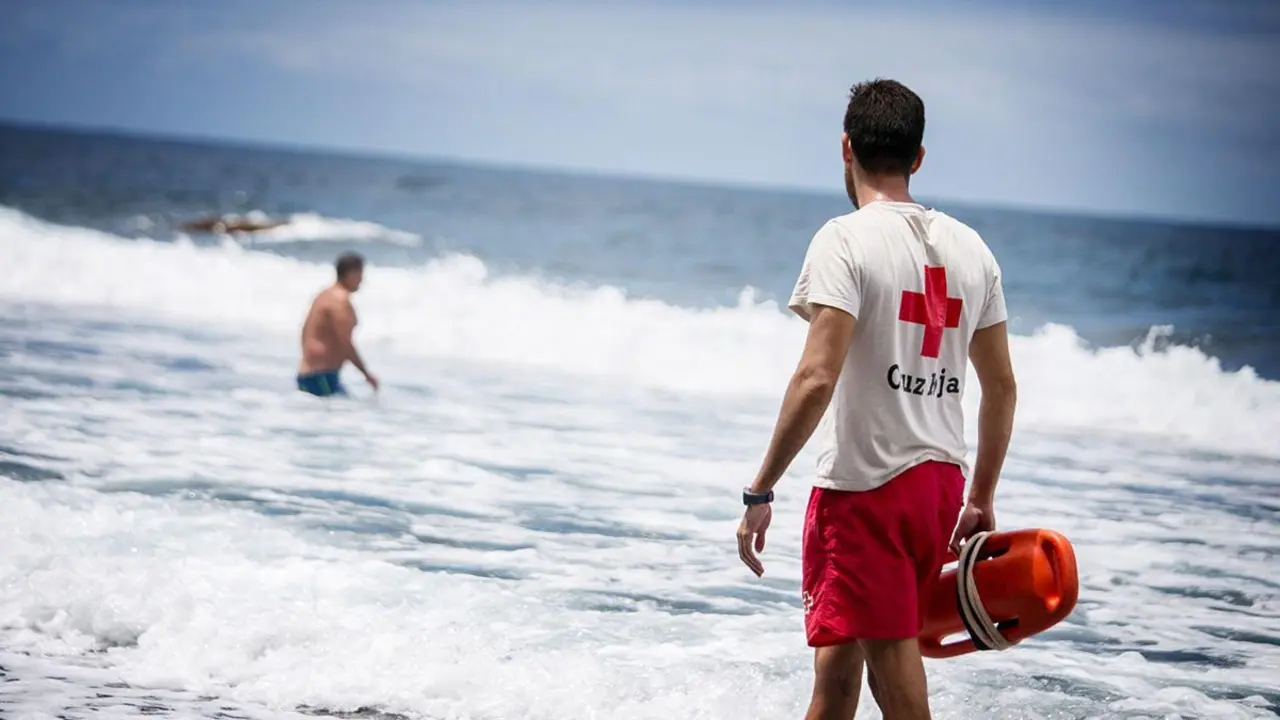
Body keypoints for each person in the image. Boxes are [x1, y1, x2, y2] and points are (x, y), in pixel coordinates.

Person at [735, 78, 1018, 719]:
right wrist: (980, 496)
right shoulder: (973, 250)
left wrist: (760, 489)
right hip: (938, 489)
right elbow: (1001, 387)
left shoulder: (846, 239)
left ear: (845, 149)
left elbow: (815, 377)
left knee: (895, 674)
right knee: (836, 672)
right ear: (918, 158)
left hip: (866, 491)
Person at [296, 251, 380, 397]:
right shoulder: (340, 301)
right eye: (360, 275)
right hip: (321, 375)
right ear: (351, 274)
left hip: (311, 374)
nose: (361, 280)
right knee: (347, 416)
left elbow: (306, 332)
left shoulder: (324, 295)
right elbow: (345, 342)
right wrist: (366, 374)